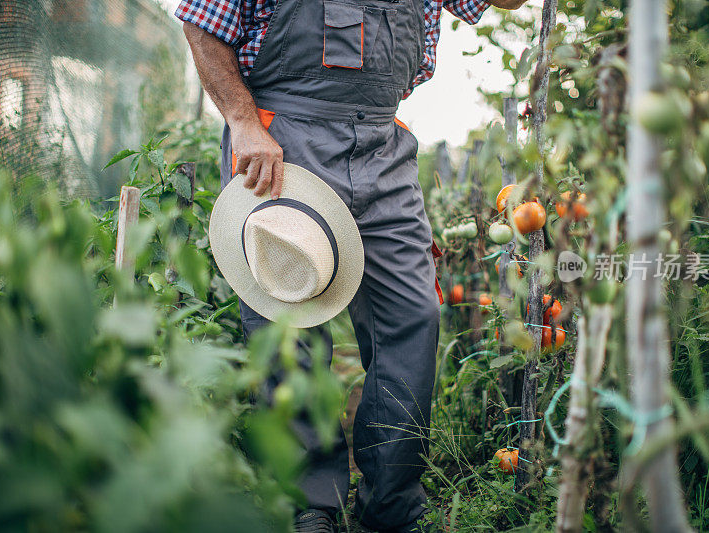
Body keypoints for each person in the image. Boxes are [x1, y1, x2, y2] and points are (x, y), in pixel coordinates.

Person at [178, 0, 528, 530]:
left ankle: (390, 504)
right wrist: (244, 123)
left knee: (413, 314)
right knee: (286, 322)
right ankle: (310, 501)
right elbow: (201, 21)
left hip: (383, 147)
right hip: (282, 141)